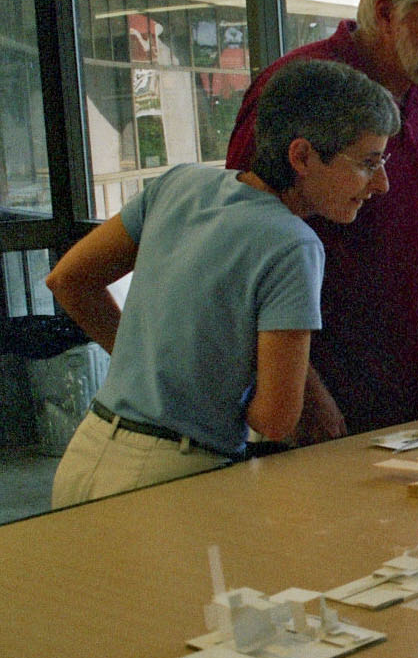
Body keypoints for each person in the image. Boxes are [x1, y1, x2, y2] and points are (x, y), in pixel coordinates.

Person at [47, 60, 399, 507]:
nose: (382, 184)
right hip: (170, 479)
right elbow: (275, 419)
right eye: (368, 163)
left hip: (86, 451)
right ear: (303, 157)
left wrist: (150, 365)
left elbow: (68, 279)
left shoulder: (179, 183)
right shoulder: (294, 244)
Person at [224, 0, 418, 438]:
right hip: (321, 398)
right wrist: (307, 396)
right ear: (386, 12)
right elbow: (243, 251)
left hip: (412, 395)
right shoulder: (299, 88)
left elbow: (417, 244)